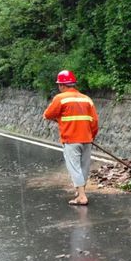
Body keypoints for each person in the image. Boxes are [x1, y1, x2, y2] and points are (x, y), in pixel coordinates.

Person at [43, 70, 99, 206]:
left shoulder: (60, 98)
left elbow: (47, 114)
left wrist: (58, 117)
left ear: (62, 85)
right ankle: (81, 191)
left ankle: (82, 197)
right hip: (86, 138)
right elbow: (95, 121)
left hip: (71, 139)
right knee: (84, 166)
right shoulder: (86, 99)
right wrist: (91, 136)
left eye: (59, 85)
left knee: (74, 167)